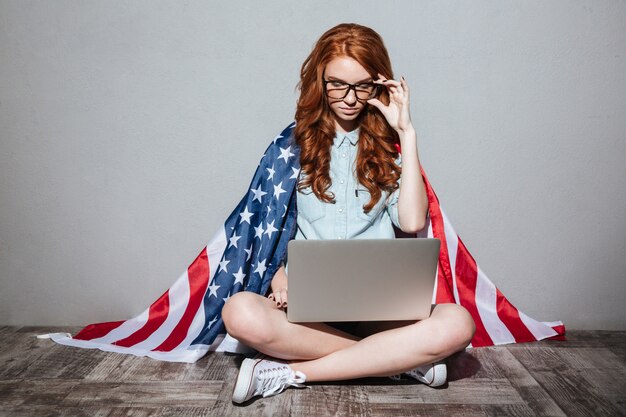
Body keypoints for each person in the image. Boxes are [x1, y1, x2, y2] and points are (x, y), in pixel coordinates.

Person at [221, 23, 476, 405]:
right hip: (306, 311)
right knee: (239, 312)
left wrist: (406, 134)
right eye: (337, 84)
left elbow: (411, 222)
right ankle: (396, 359)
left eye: (362, 86)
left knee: (458, 323)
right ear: (319, 81)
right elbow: (265, 231)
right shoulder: (290, 147)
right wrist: (277, 279)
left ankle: (288, 372)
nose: (350, 98)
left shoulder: (389, 150)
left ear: (378, 85)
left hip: (379, 309)